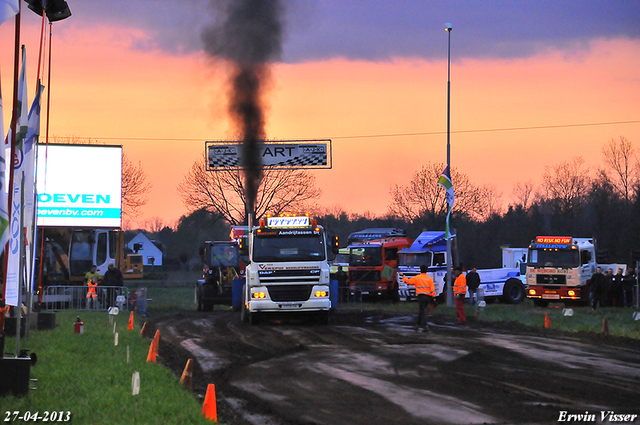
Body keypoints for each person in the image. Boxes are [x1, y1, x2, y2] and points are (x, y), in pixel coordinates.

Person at [401, 265, 435, 332]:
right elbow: (433, 290)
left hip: (421, 296)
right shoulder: (429, 279)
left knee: (422, 311)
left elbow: (408, 281)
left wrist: (403, 276)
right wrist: (433, 298)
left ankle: (425, 326)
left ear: (420, 269)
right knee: (422, 311)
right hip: (428, 297)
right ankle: (417, 325)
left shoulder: (417, 278)